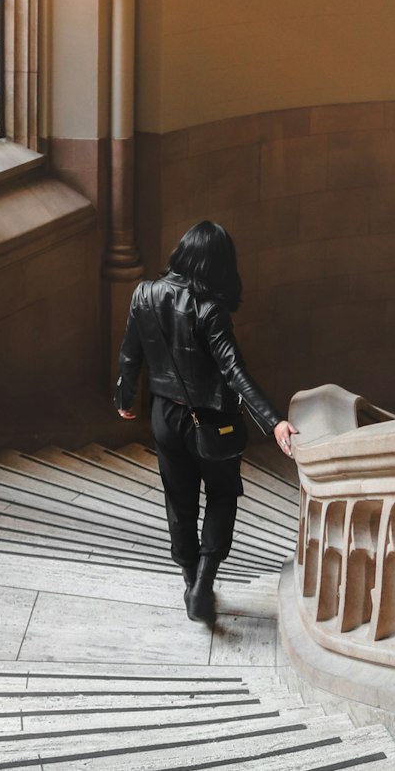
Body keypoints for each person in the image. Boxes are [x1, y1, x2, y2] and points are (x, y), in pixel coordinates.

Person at [115, 220, 298, 625]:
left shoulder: (143, 294)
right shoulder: (210, 309)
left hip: (164, 415)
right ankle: (204, 580)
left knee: (178, 502)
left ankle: (190, 582)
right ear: (218, 265)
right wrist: (275, 422)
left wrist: (126, 399)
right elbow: (234, 370)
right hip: (213, 423)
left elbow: (130, 355)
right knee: (221, 494)